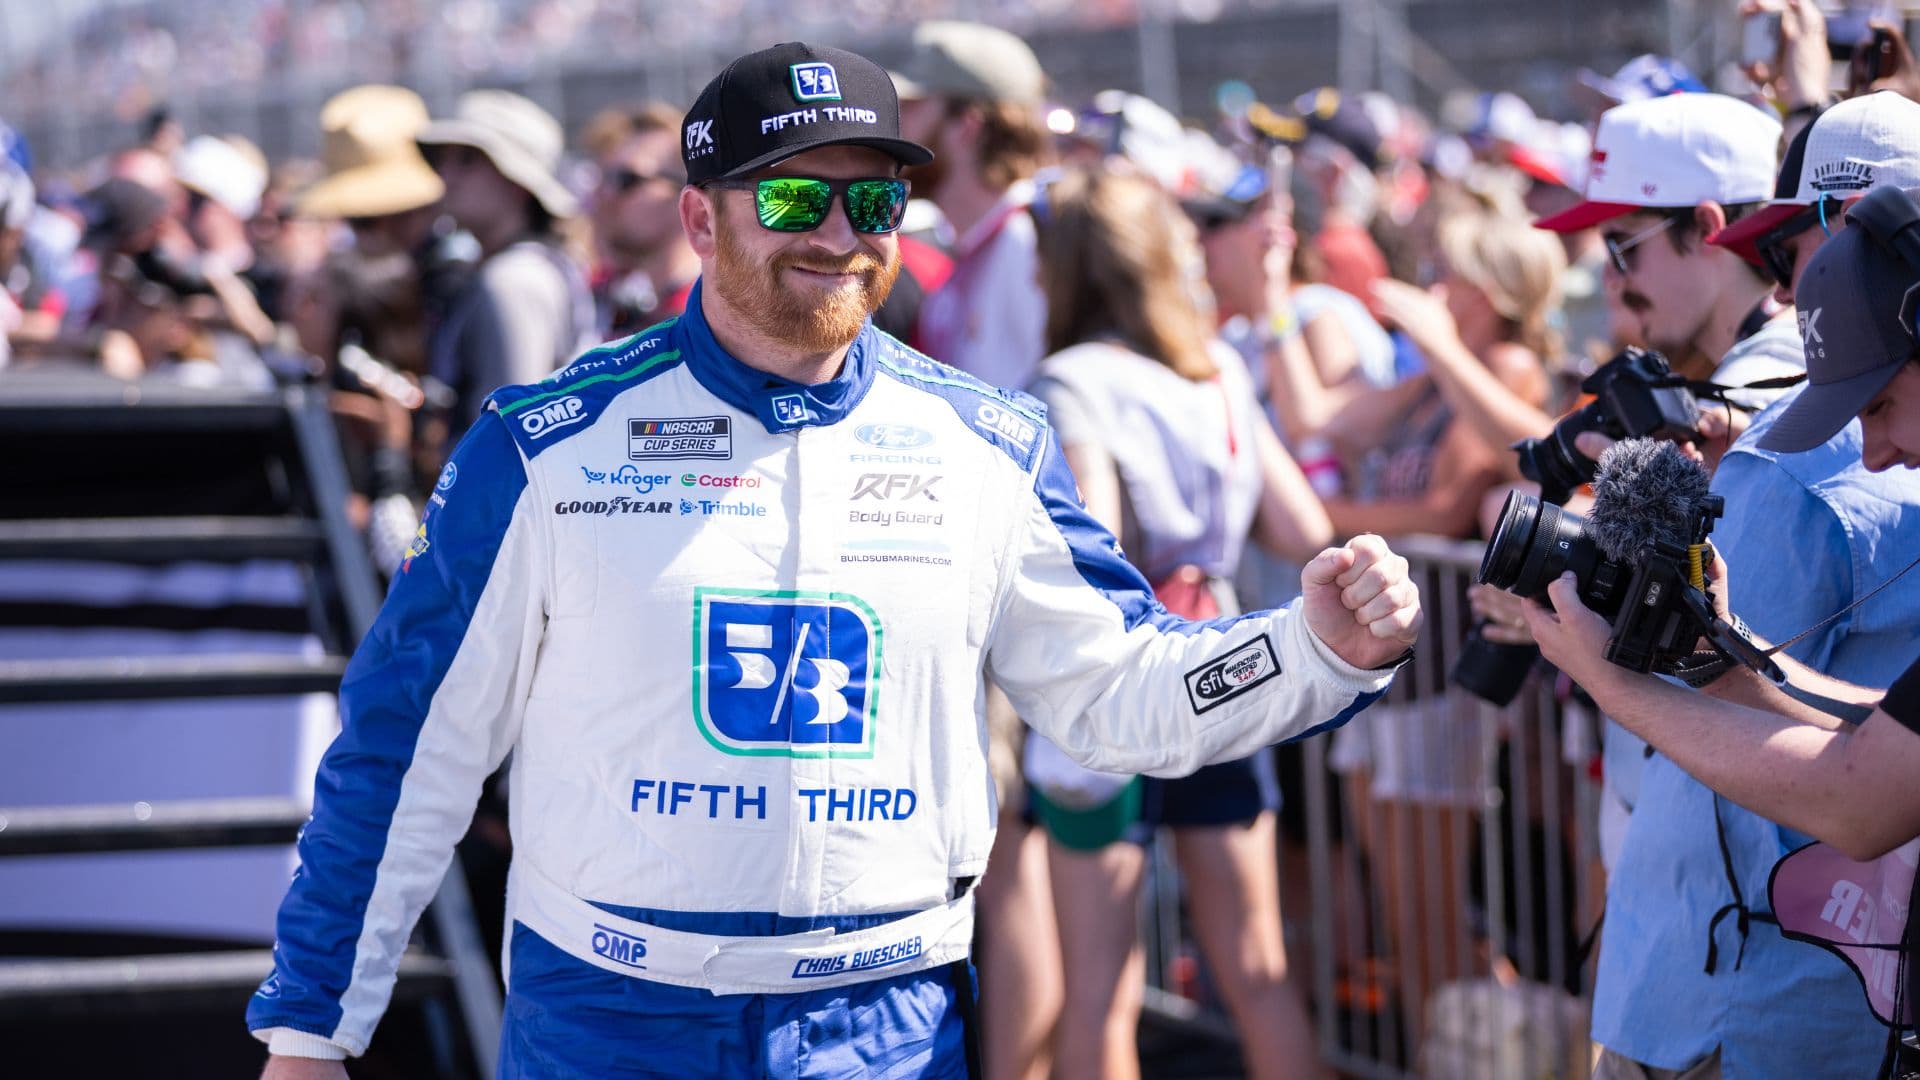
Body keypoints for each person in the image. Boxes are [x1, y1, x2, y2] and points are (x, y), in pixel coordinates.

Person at [246, 41, 1423, 1079]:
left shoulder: (990, 441)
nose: (839, 234)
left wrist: (1314, 650)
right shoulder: (543, 443)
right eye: (797, 195)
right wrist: (310, 1034)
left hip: (890, 1024)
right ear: (703, 219)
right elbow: (408, 746)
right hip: (614, 1019)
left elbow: (1116, 697)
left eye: (876, 203)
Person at [1519, 186, 1920, 1080]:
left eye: (1884, 404)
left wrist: (1617, 685)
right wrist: (1734, 649)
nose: (1878, 451)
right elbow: (1890, 727)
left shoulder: (1819, 486)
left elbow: (1861, 799)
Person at [1026, 167, 1335, 1080]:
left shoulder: (1073, 380)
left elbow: (1097, 541)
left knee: (1101, 992)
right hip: (1228, 667)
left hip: (1117, 690)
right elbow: (1301, 528)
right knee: (1258, 968)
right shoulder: (1217, 372)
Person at [419, 89, 595, 440]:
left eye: (468, 160)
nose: (447, 175)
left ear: (517, 184)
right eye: (445, 160)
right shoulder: (528, 265)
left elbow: (512, 432)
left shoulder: (513, 279)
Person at [895, 19, 1051, 389]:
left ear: (968, 126)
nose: (895, 127)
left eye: (913, 108)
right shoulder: (987, 242)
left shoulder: (1031, 244)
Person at [588, 101, 701, 340]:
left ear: (687, 195)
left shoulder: (715, 321)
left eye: (626, 179)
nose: (604, 194)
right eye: (604, 178)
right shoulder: (633, 311)